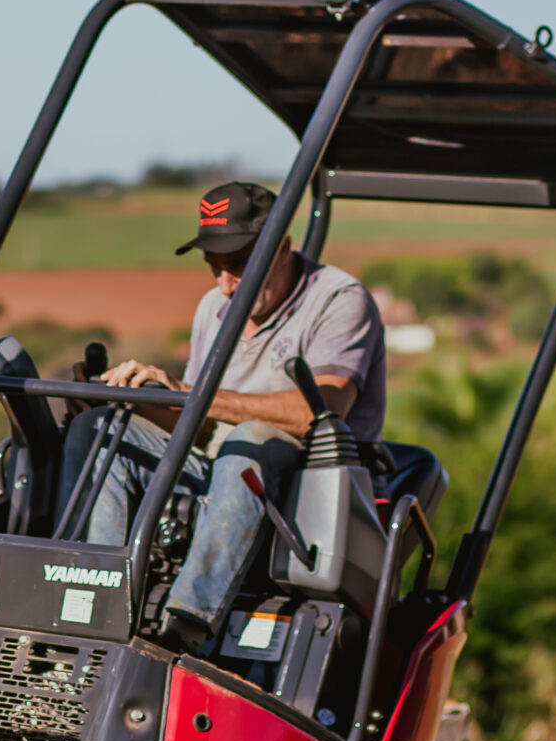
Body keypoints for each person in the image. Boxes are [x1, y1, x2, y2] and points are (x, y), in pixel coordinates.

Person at [82, 180, 386, 645]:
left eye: (238, 267)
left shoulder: (338, 299)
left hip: (310, 485)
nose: (225, 285)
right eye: (214, 268)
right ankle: (96, 611)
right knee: (109, 434)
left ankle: (183, 629)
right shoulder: (214, 308)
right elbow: (200, 428)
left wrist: (188, 392)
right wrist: (140, 397)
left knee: (250, 439)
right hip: (220, 468)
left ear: (282, 247)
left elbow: (318, 412)